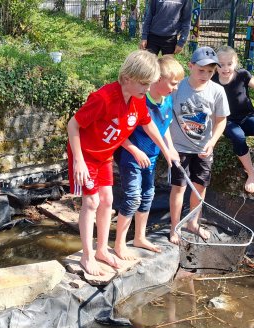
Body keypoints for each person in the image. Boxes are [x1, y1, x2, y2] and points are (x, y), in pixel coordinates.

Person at [67, 50, 179, 276]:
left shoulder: (137, 101)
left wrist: (167, 151)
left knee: (107, 200)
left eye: (150, 84)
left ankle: (101, 250)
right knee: (91, 202)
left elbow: (149, 126)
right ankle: (87, 256)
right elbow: (73, 125)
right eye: (144, 83)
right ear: (127, 78)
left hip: (105, 155)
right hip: (86, 155)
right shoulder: (104, 98)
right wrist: (78, 160)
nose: (147, 89)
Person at [114, 55, 184, 259]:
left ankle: (139, 237)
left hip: (151, 156)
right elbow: (119, 132)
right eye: (173, 83)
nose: (176, 87)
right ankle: (119, 244)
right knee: (132, 197)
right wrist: (134, 150)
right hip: (131, 156)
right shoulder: (139, 100)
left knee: (148, 195)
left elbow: (164, 126)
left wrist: (169, 148)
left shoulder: (167, 100)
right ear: (158, 79)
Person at [168, 46, 229, 242]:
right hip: (179, 148)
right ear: (190, 66)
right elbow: (166, 117)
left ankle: (193, 223)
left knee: (200, 187)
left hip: (203, 149)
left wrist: (212, 142)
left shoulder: (217, 91)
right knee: (179, 188)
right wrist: (169, 147)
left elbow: (221, 120)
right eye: (201, 70)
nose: (206, 75)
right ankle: (174, 227)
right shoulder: (177, 88)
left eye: (211, 71)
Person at [213, 46, 254, 196]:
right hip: (226, 121)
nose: (225, 68)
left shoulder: (242, 75)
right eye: (221, 64)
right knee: (238, 136)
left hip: (246, 117)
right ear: (215, 65)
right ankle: (251, 173)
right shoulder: (212, 80)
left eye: (229, 64)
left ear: (235, 63)